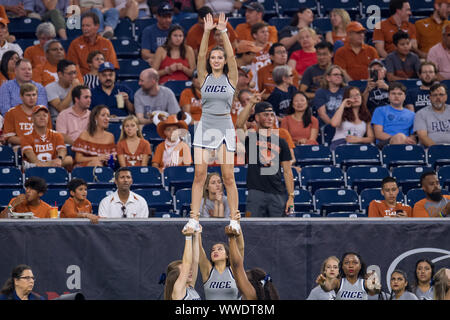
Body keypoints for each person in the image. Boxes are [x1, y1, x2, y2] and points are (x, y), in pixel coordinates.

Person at [190, 12, 239, 220]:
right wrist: (207, 32)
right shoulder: (204, 77)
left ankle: (235, 217)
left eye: (219, 57)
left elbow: (231, 56)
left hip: (225, 125)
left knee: (228, 176)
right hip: (206, 124)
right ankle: (193, 216)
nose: (216, 59)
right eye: (213, 57)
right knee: (200, 174)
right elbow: (200, 56)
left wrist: (224, 32)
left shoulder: (232, 78)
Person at [236, 101, 295, 217]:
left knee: (279, 232)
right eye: (266, 115)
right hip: (256, 193)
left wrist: (291, 197)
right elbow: (239, 124)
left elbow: (288, 172)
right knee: (253, 231)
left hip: (278, 194)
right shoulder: (250, 138)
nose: (270, 118)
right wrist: (251, 102)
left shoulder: (281, 141)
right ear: (257, 117)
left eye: (272, 115)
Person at [224, 223, 280, 300]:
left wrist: (231, 238)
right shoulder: (259, 294)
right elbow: (241, 248)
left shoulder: (250, 294)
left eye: (241, 279)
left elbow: (237, 266)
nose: (238, 281)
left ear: (250, 283)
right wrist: (236, 223)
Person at [197, 211, 242, 300]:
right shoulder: (208, 270)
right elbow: (199, 250)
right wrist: (197, 231)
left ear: (227, 255)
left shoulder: (233, 270)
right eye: (213, 250)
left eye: (220, 249)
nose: (215, 251)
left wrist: (237, 224)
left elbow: (240, 248)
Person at [21, 105, 73, 170]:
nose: (42, 118)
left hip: (54, 168)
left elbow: (62, 150)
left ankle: (35, 165)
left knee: (69, 159)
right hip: (36, 171)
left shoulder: (56, 135)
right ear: (32, 119)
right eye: (38, 115)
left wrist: (59, 159)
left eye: (44, 115)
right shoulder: (26, 136)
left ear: (48, 118)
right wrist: (50, 163)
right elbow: (31, 156)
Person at [66, 12, 119, 76]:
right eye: (83, 26)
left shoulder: (106, 43)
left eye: (88, 25)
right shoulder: (75, 44)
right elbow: (71, 69)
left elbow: (112, 67)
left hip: (102, 80)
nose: (85, 28)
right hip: (82, 81)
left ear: (97, 26)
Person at [2, 83, 52, 147]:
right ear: (21, 96)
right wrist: (31, 142)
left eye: (34, 95)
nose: (32, 98)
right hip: (20, 147)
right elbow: (9, 138)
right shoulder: (11, 113)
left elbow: (49, 135)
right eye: (28, 95)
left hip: (42, 146)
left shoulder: (44, 112)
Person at [316, 252, 381, 300]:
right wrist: (323, 284)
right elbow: (328, 287)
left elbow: (376, 291)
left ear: (360, 266)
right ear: (342, 266)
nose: (350, 266)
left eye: (355, 262)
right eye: (347, 263)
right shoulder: (338, 282)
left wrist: (375, 284)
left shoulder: (364, 283)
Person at [371, 82, 416, 149]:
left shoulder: (412, 114)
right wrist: (399, 138)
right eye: (393, 93)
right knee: (400, 137)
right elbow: (378, 134)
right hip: (384, 144)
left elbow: (413, 135)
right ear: (388, 96)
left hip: (405, 143)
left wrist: (408, 140)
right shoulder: (380, 110)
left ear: (404, 97)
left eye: (400, 94)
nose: (396, 96)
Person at [329, 86, 375, 151]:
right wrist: (343, 105)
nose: (355, 98)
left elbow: (371, 138)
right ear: (347, 99)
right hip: (340, 144)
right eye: (351, 96)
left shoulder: (366, 115)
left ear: (361, 98)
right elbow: (334, 124)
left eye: (357, 95)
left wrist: (359, 139)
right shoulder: (341, 112)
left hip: (358, 145)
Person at [163, 220, 200, 300]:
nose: (190, 271)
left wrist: (197, 235)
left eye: (190, 270)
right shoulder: (178, 289)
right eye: (185, 270)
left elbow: (195, 261)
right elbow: (187, 263)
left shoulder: (190, 287)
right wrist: (188, 237)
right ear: (176, 275)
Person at [45, 59, 82, 124]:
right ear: (60, 74)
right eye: (70, 73)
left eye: (74, 72)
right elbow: (61, 109)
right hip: (58, 121)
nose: (73, 76)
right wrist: (73, 89)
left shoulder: (77, 86)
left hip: (76, 120)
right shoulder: (50, 88)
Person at [414, 83, 450, 147]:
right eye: (435, 95)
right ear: (430, 97)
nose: (438, 97)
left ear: (446, 97)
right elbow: (423, 137)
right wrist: (437, 150)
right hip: (430, 151)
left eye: (441, 95)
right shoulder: (421, 114)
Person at [141, 1, 175, 66]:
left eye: (169, 17)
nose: (167, 20)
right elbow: (144, 54)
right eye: (164, 17)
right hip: (155, 62)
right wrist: (161, 57)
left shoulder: (176, 30)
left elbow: (183, 51)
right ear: (157, 17)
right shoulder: (148, 31)